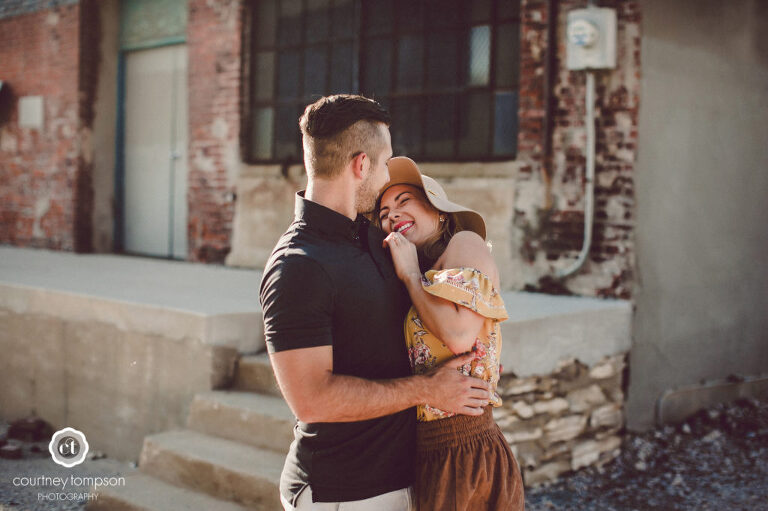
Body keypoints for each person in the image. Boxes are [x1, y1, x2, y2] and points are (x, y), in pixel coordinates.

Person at [259, 95, 493, 511]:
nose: (387, 177)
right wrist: (428, 389)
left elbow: (450, 285)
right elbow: (311, 399)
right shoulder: (297, 266)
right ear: (361, 165)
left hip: (410, 477)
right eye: (384, 163)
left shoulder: (375, 236)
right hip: (345, 492)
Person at [375, 156, 525, 511]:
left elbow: (458, 335)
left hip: (468, 449)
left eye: (404, 202)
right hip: (430, 449)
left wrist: (412, 275)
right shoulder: (425, 279)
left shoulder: (465, 243)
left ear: (439, 211)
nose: (392, 216)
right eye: (382, 214)